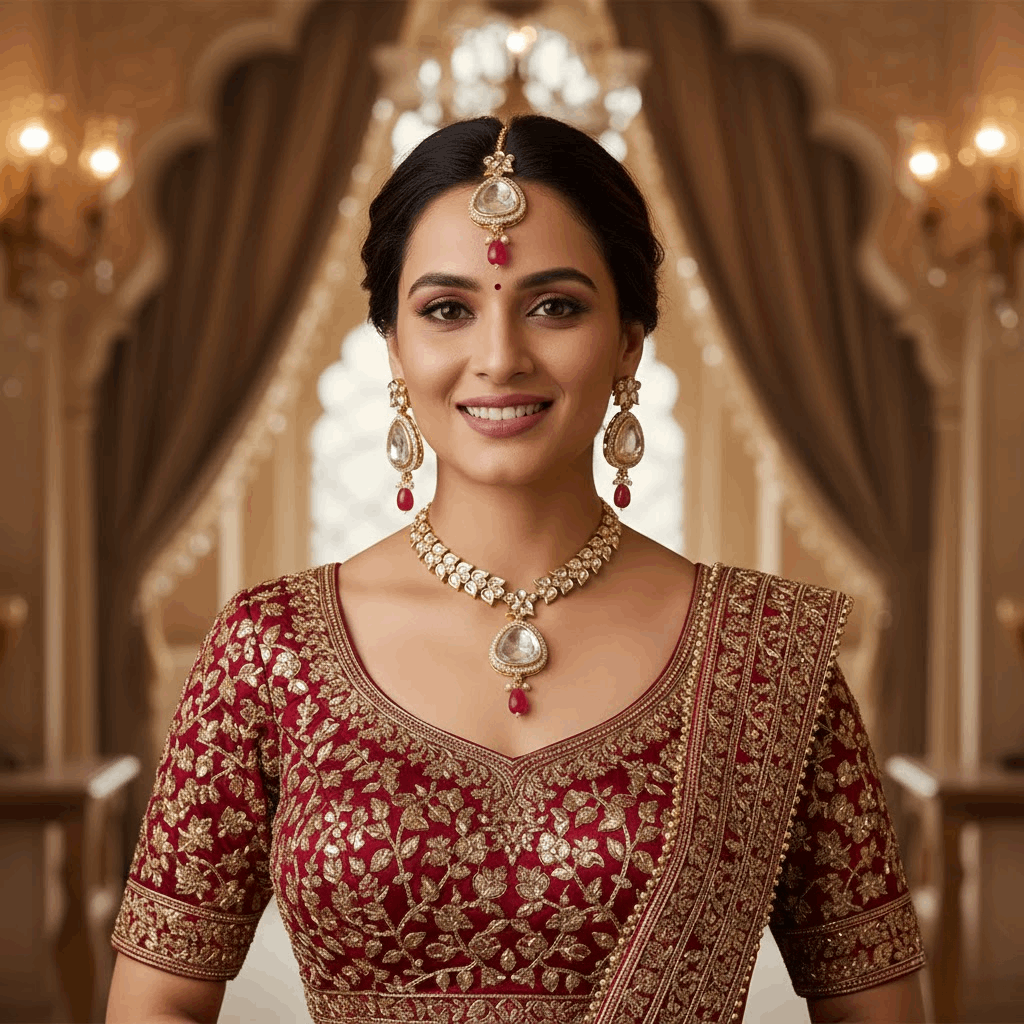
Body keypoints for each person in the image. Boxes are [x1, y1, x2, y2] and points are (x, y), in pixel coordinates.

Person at [106, 114, 927, 1023]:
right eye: (447, 309)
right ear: (393, 344)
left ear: (628, 341)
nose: (500, 358)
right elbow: (158, 1002)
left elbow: (875, 1009)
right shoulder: (269, 647)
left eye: (556, 305)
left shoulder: (774, 659)